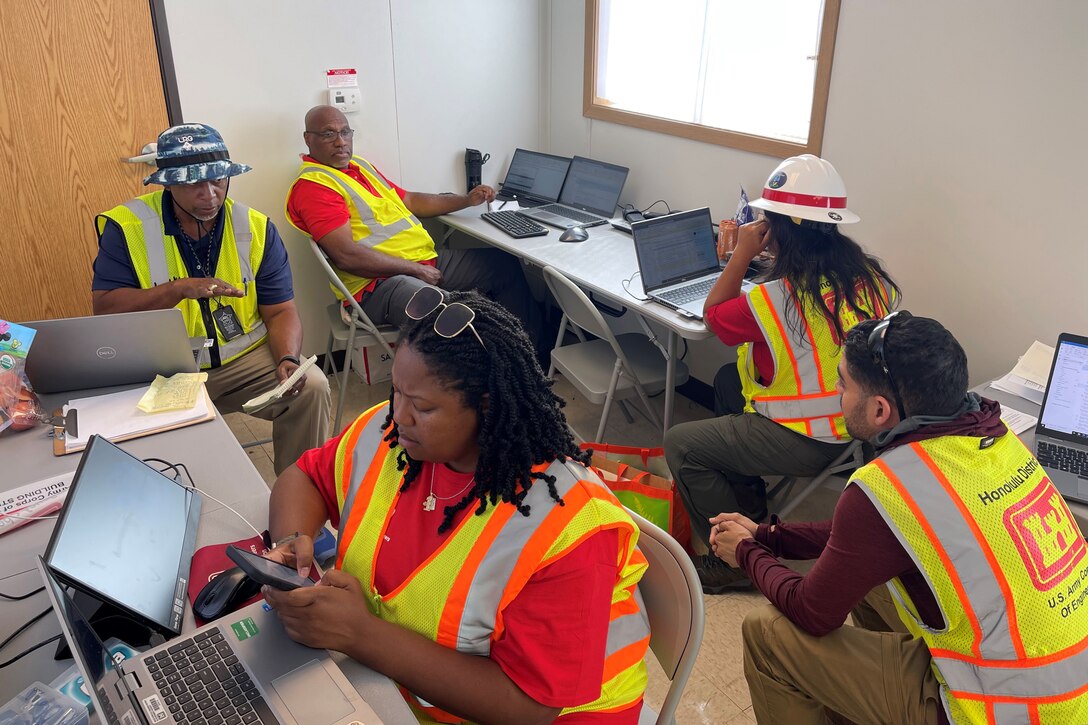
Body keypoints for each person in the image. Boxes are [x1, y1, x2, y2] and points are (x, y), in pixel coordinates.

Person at [262, 290, 650, 723]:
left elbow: (530, 706)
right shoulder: (390, 435)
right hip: (397, 687)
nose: (399, 414)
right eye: (396, 391)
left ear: (487, 408)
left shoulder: (569, 528)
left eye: (423, 406)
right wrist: (292, 540)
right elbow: (306, 477)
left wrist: (361, 635)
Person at [711, 313, 1088, 724]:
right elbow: (862, 541)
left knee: (767, 633)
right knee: (874, 582)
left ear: (878, 410)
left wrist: (747, 552)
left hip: (1000, 710)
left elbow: (811, 612)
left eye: (843, 383)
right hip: (1065, 688)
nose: (836, 391)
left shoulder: (889, 483)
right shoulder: (996, 440)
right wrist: (770, 536)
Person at [664, 154, 899, 593]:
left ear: (780, 230)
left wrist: (742, 254)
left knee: (681, 444)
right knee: (727, 382)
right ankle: (750, 510)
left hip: (812, 439)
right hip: (859, 426)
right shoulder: (867, 277)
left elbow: (713, 316)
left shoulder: (778, 298)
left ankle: (731, 560)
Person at [92, 123, 330, 474]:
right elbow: (106, 308)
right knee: (137, 441)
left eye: (218, 179)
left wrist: (288, 359)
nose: (210, 194)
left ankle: (300, 502)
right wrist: (177, 290)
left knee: (311, 387)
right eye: (193, 183)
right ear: (167, 182)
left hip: (242, 364)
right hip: (165, 371)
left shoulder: (254, 226)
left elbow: (280, 310)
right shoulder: (127, 227)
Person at [285, 105, 541, 340]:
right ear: (309, 139)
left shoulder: (359, 166)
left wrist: (466, 200)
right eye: (329, 134)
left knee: (504, 265)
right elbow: (346, 256)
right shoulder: (315, 186)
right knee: (448, 315)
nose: (341, 142)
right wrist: (415, 270)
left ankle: (535, 360)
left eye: (345, 132)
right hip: (378, 285)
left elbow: (410, 200)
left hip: (422, 261)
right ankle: (481, 379)